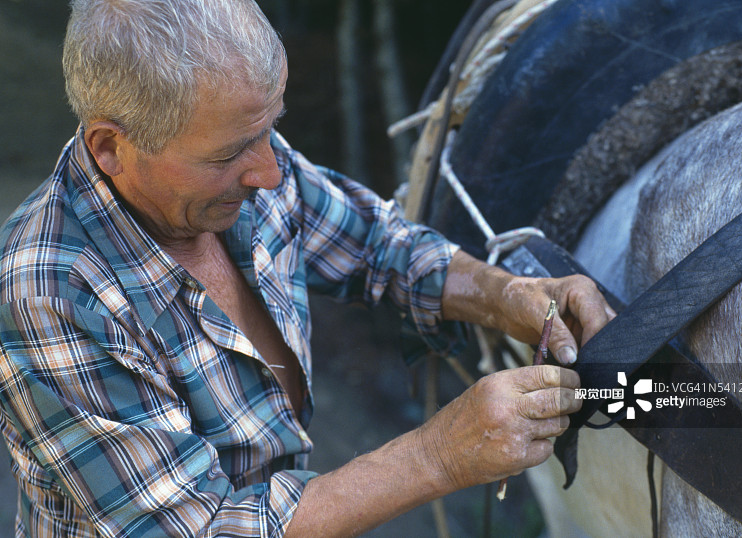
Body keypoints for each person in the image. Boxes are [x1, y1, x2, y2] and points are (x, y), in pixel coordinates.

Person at [0, 0, 614, 536]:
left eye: (270, 129)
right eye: (230, 152)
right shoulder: (47, 293)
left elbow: (379, 245)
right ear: (112, 147)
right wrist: (442, 454)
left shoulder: (241, 156)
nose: (268, 172)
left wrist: (508, 293)